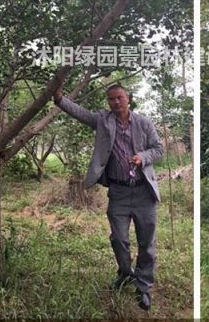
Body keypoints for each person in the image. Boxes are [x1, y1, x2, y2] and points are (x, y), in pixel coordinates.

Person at [53, 82, 164, 311]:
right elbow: (81, 113)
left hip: (144, 191)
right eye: (111, 99)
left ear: (128, 98)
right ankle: (125, 273)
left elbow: (158, 149)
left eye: (119, 98)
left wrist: (142, 157)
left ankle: (143, 287)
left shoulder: (143, 122)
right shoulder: (103, 121)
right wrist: (58, 99)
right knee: (119, 239)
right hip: (119, 192)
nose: (115, 102)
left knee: (146, 242)